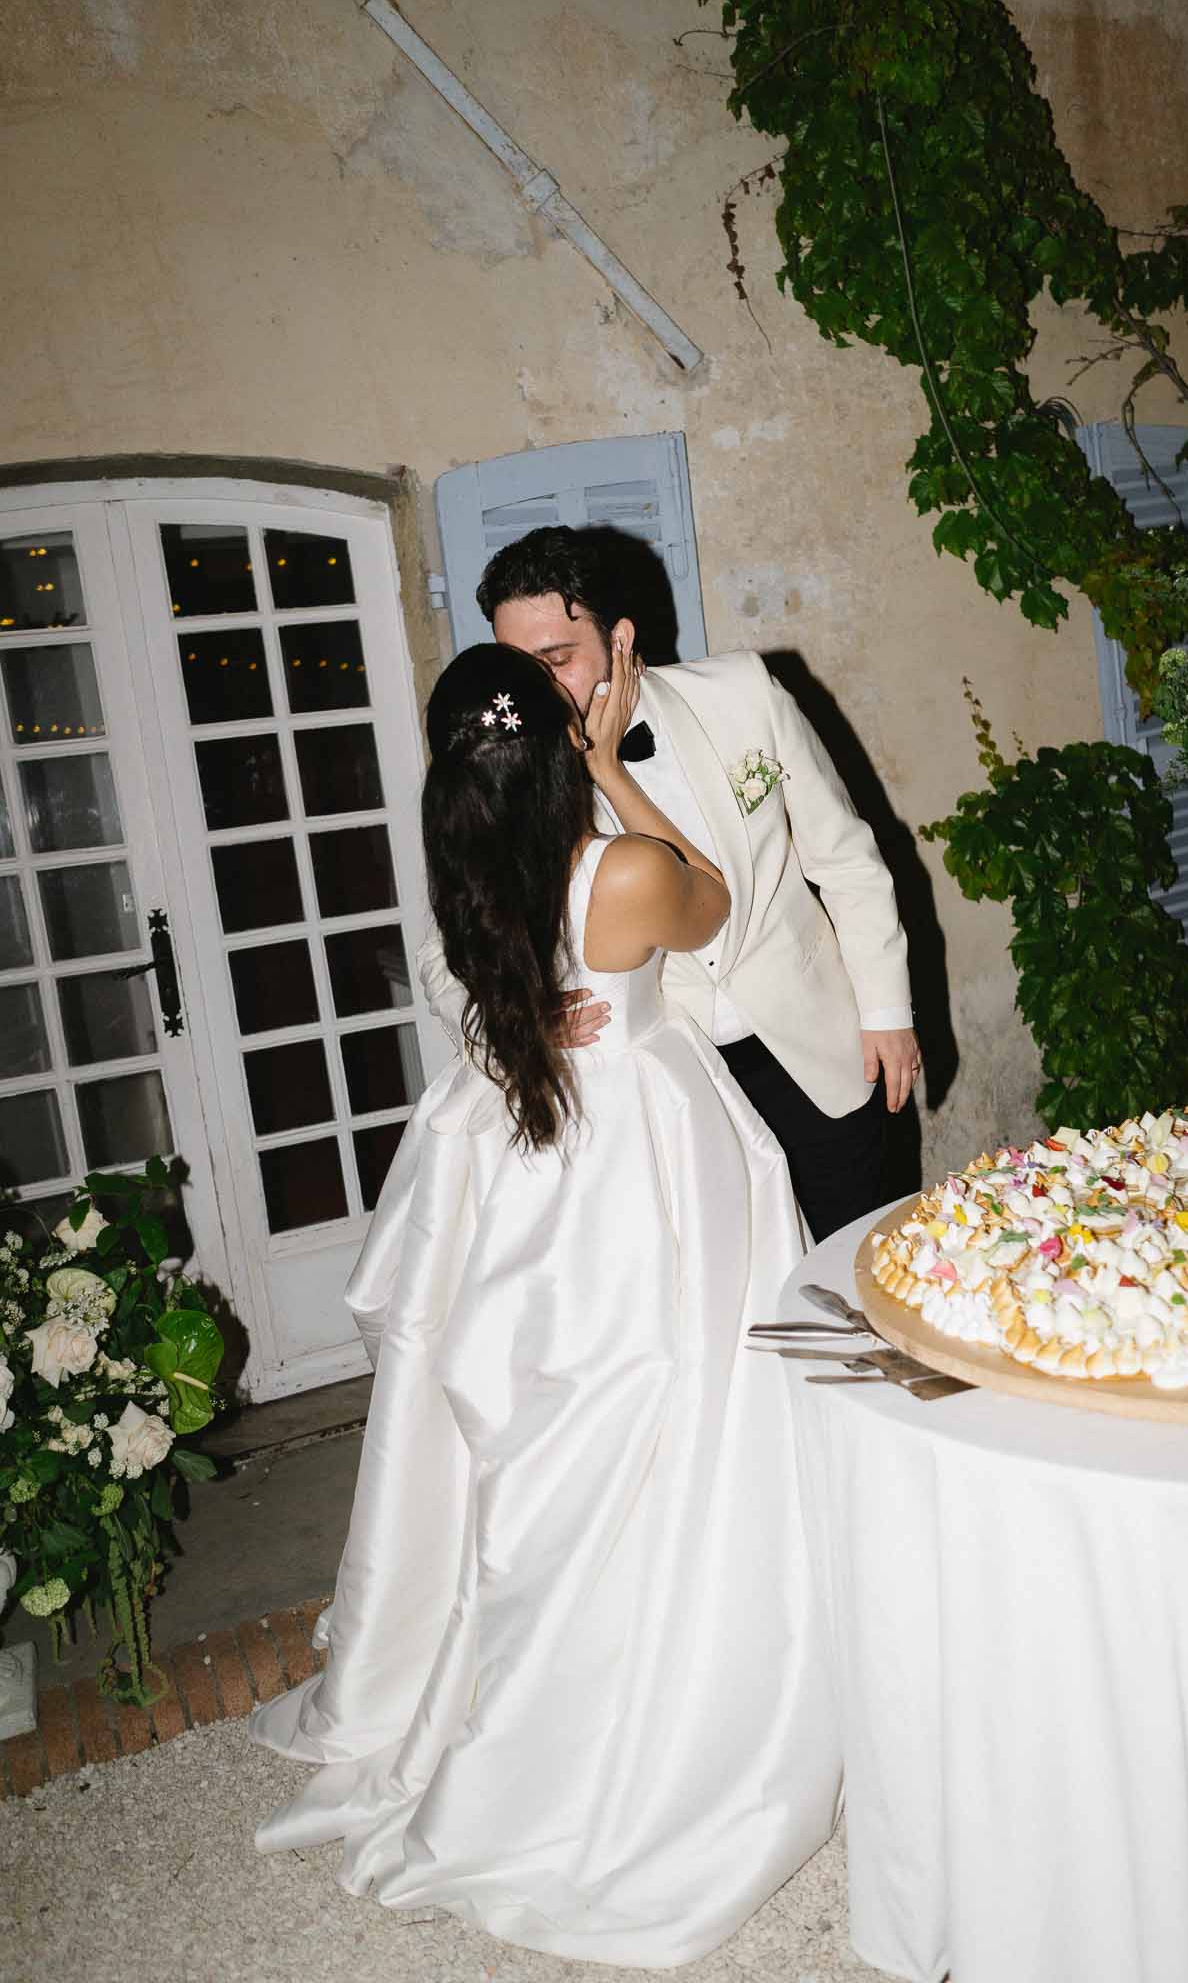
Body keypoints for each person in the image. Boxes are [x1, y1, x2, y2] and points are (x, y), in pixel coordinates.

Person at [249, 640, 841, 1967]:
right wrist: (612, 768)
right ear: (553, 745)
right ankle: (661, 1694)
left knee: (546, 1428)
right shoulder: (617, 874)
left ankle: (529, 1681)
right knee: (682, 1400)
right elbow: (712, 900)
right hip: (645, 1165)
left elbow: (475, 999)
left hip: (525, 1175)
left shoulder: (470, 883)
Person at [418, 525, 920, 1241]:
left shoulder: (743, 693)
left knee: (861, 1260)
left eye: (557, 659)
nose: (539, 689)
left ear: (620, 640)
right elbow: (445, 948)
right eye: (519, 665)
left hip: (817, 1050)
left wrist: (887, 1011)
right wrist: (516, 1022)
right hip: (673, 1102)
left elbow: (845, 859)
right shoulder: (511, 770)